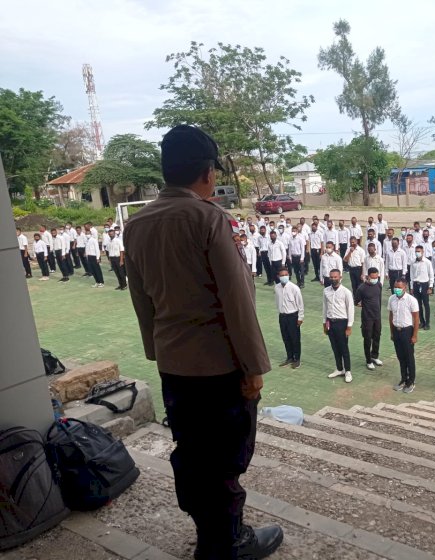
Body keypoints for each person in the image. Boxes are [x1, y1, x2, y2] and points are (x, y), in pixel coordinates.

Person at [123, 125, 282, 560]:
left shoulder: (135, 225)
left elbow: (141, 300)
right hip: (218, 367)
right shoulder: (209, 219)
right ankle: (227, 542)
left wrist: (158, 350)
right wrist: (253, 367)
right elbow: (237, 300)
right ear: (209, 173)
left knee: (192, 453)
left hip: (174, 366)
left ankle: (209, 534)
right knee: (227, 458)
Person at [388, 278, 419, 393]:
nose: (397, 289)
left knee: (409, 357)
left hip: (407, 331)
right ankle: (403, 379)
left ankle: (411, 381)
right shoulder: (392, 299)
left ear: (405, 287)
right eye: (395, 287)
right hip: (396, 331)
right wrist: (392, 332)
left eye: (399, 288)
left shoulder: (411, 300)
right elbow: (391, 316)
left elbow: (416, 319)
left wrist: (414, 335)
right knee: (400, 357)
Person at [324, 269, 354, 383]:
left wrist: (349, 326)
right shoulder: (326, 291)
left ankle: (348, 371)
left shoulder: (346, 292)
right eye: (331, 277)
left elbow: (350, 309)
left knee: (344, 348)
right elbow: (324, 307)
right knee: (334, 347)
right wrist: (324, 323)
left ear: (340, 277)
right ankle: (339, 368)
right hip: (330, 322)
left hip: (342, 323)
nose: (333, 279)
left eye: (335, 277)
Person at [355, 267, 384, 370]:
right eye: (373, 277)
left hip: (377, 317)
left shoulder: (379, 285)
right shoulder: (362, 288)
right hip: (367, 318)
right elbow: (356, 301)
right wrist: (365, 306)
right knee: (367, 339)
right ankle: (368, 360)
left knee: (377, 337)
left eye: (377, 277)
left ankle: (375, 356)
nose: (375, 279)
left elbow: (379, 300)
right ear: (368, 276)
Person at [275, 268, 303, 369]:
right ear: (278, 276)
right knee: (285, 337)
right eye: (282, 275)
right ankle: (289, 357)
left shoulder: (294, 288)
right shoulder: (277, 287)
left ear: (289, 275)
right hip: (282, 317)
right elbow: (277, 301)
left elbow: (300, 304)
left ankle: (297, 359)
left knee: (295, 338)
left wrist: (300, 318)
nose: (284, 277)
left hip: (293, 316)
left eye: (286, 274)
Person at [410, 245, 434, 330]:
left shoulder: (427, 262)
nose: (417, 253)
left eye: (419, 251)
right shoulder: (413, 262)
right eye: (416, 251)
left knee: (426, 304)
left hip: (424, 285)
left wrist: (430, 287)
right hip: (416, 285)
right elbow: (411, 275)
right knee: (418, 305)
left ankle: (427, 323)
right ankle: (422, 321)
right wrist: (411, 287)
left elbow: (431, 275)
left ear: (423, 252)